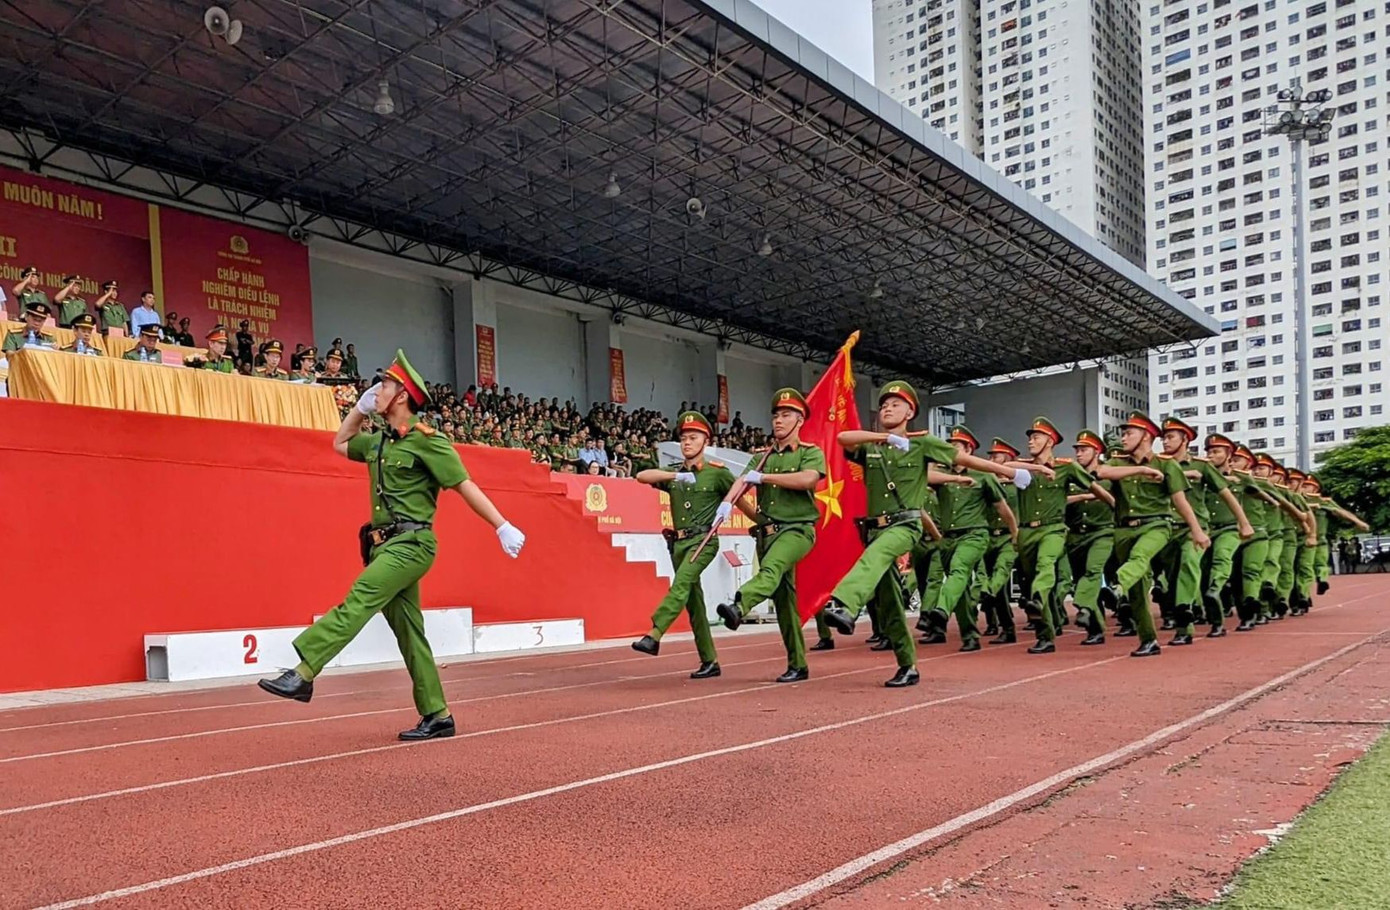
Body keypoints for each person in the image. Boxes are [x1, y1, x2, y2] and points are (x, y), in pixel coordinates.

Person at [258, 350, 527, 740]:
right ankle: (438, 714)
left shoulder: (429, 443)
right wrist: (359, 410)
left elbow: (463, 484)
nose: (375, 390)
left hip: (412, 543)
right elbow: (339, 443)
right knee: (409, 632)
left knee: (361, 595)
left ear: (402, 395)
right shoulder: (379, 442)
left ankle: (304, 671)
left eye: (383, 385)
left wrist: (501, 525)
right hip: (382, 545)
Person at [819, 383, 1029, 685]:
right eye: (884, 405)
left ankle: (843, 604)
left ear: (910, 412)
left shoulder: (923, 443)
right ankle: (908, 666)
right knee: (890, 601)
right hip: (874, 529)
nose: (887, 408)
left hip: (905, 524)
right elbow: (842, 437)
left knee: (874, 557)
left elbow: (966, 461)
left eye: (896, 404)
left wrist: (1010, 472)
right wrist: (886, 437)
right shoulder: (872, 446)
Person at [715, 388, 825, 684]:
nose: (778, 420)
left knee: (772, 568)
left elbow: (808, 479)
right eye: (776, 415)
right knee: (785, 601)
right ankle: (798, 664)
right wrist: (728, 502)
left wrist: (764, 479)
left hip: (797, 530)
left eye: (786, 415)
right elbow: (741, 482)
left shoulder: (809, 453)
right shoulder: (761, 458)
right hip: (767, 534)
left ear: (800, 420)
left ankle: (741, 604)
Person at [630, 411, 735, 678]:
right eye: (684, 438)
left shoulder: (717, 474)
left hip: (704, 540)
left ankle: (654, 634)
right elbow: (643, 476)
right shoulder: (675, 474)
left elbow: (738, 494)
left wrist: (743, 513)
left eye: (693, 437)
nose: (687, 442)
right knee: (693, 603)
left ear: (706, 441)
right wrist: (676, 478)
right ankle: (709, 660)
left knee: (680, 585)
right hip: (679, 543)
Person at [1095, 412, 1208, 657]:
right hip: (1124, 528)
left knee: (1140, 555)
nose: (1123, 438)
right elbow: (1101, 473)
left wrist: (1197, 531)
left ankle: (1116, 586)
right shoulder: (1118, 463)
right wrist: (1140, 471)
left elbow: (1180, 501)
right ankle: (1149, 640)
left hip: (1156, 525)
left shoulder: (1167, 465)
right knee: (1137, 590)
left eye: (1128, 433)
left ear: (1146, 436)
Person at [1008, 417, 1108, 653]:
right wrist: (1036, 468)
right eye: (1030, 437)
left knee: (1046, 566)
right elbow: (1005, 468)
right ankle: (1046, 635)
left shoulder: (1067, 467)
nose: (1031, 441)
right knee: (1038, 582)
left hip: (1053, 529)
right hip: (1026, 532)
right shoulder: (1021, 467)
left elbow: (1093, 486)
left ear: (1050, 441)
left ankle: (1038, 598)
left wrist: (1114, 505)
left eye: (1036, 437)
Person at [917, 425, 1018, 653]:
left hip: (974, 534)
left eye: (956, 446)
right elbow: (923, 477)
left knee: (958, 569)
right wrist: (952, 478)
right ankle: (969, 635)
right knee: (960, 590)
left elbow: (1002, 508)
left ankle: (941, 611)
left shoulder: (983, 476)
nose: (950, 449)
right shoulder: (942, 475)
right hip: (947, 538)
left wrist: (1014, 533)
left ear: (969, 450)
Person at [1155, 417, 1250, 644]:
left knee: (1189, 564)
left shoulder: (1201, 466)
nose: (1165, 442)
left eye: (1170, 437)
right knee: (1176, 577)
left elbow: (1226, 494)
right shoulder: (1158, 465)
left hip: (1195, 528)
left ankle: (1184, 618)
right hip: (1168, 529)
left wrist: (1244, 523)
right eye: (1163, 438)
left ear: (1185, 439)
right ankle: (1200, 620)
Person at [1197, 433, 1255, 636]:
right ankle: (1216, 622)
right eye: (1209, 451)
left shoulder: (1242, 479)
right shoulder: (1202, 476)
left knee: (1232, 571)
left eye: (1216, 451)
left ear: (1228, 454)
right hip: (1207, 529)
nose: (1211, 455)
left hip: (1231, 528)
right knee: (1203, 574)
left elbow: (1267, 494)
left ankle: (1246, 616)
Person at [1063, 430, 1117, 645]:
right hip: (1076, 537)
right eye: (1077, 450)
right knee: (1081, 580)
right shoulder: (1071, 476)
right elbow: (1060, 500)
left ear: (1097, 452)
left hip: (1102, 532)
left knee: (1093, 572)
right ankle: (1095, 628)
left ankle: (1084, 606)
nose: (1078, 454)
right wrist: (1085, 495)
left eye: (1083, 450)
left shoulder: (1109, 476)